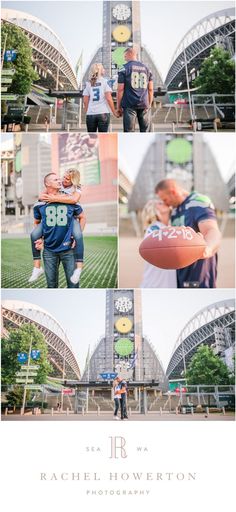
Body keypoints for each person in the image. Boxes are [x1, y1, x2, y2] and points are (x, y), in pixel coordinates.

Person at [155, 179, 221, 288]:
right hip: (181, 270)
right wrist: (165, 217)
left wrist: (207, 249)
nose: (165, 203)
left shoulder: (198, 201)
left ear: (173, 192)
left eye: (165, 199)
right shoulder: (174, 209)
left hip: (198, 270)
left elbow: (211, 230)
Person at [29, 169, 84, 285]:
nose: (61, 180)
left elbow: (77, 204)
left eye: (65, 179)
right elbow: (37, 222)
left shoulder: (72, 196)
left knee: (73, 286)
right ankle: (37, 267)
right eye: (58, 179)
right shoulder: (40, 202)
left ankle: (79, 267)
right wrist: (41, 238)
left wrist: (77, 234)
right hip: (49, 251)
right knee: (51, 286)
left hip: (68, 250)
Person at [140, 199, 177, 288]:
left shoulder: (169, 227)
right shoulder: (153, 229)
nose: (164, 203)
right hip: (156, 282)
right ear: (155, 210)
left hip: (167, 280)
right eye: (160, 203)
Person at [117, 46, 153, 132]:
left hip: (129, 104)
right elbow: (150, 89)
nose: (124, 58)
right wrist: (149, 104)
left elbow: (120, 89)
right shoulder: (147, 68)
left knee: (129, 132)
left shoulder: (123, 68)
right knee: (146, 131)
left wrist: (118, 106)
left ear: (129, 54)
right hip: (144, 103)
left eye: (125, 56)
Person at [83, 63, 119, 132]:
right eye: (103, 68)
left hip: (91, 114)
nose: (104, 70)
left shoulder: (89, 83)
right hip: (103, 113)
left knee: (91, 138)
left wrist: (88, 111)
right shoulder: (105, 82)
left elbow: (85, 101)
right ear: (99, 71)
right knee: (103, 138)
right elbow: (109, 98)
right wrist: (114, 112)